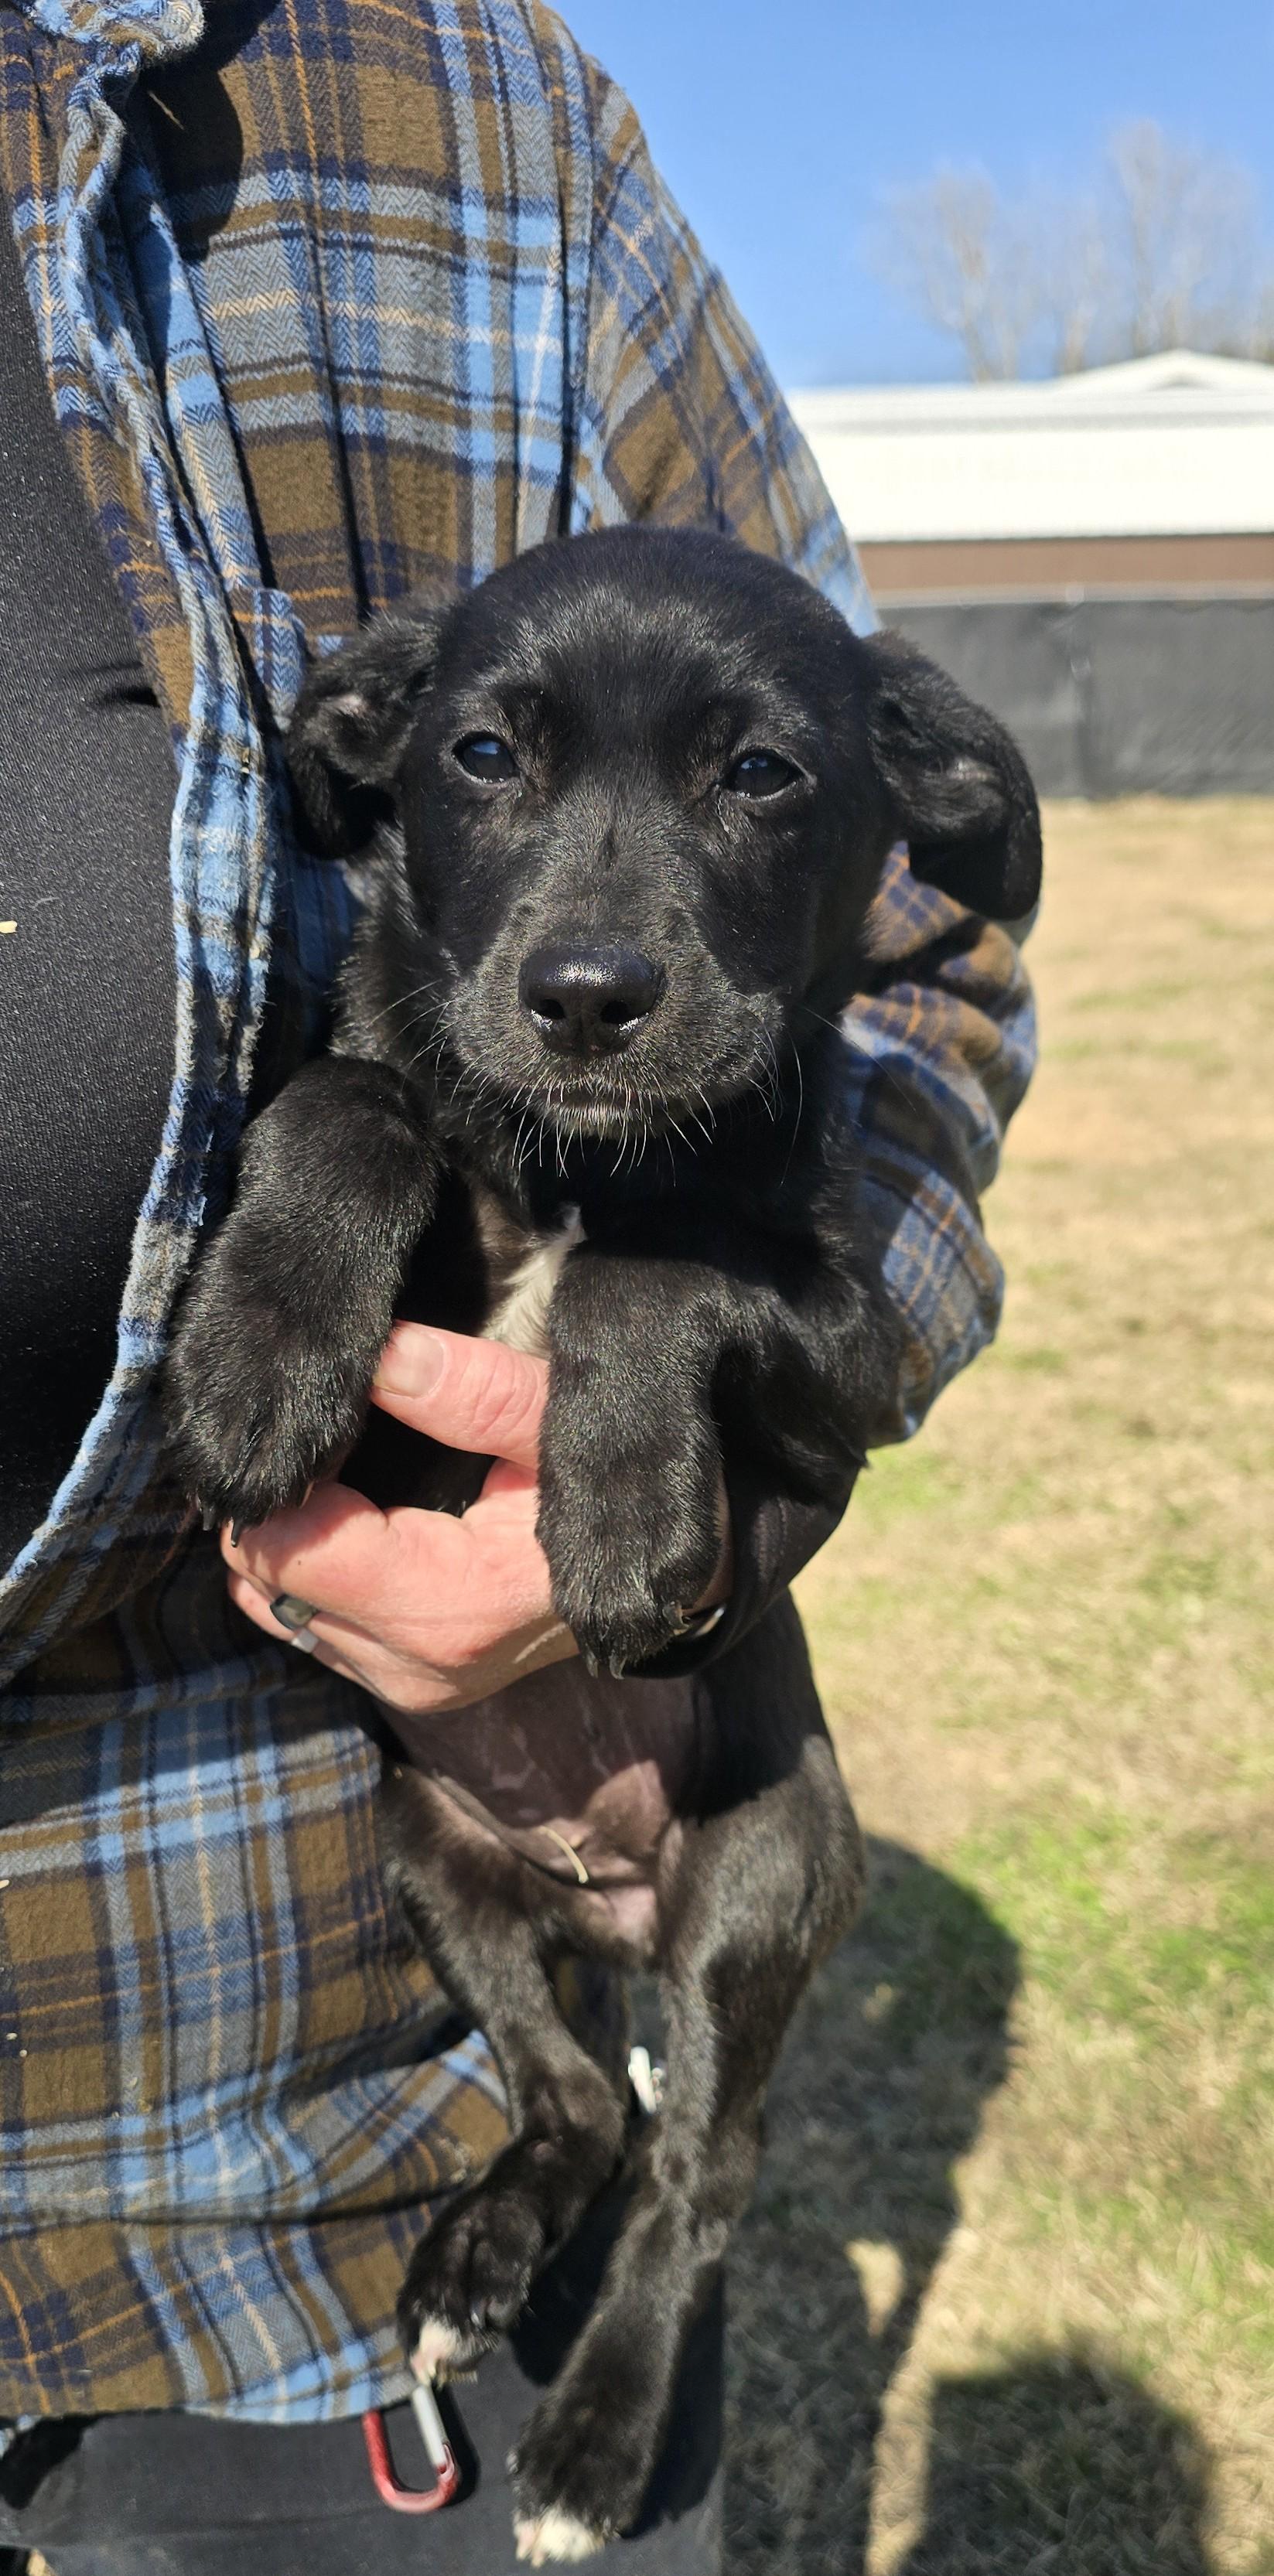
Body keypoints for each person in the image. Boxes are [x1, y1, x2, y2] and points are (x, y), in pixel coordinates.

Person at [0, 0, 1036, 2566]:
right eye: (492, 766)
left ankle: (662, 2241)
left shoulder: (485, 106)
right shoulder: (407, 1044)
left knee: (753, 1890)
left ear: (901, 793)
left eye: (750, 781)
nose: (589, 940)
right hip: (243, 1936)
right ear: (390, 750)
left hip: (350, 2063)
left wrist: (742, 1405)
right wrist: (331, 1158)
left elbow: (938, 1004)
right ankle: (571, 2116)